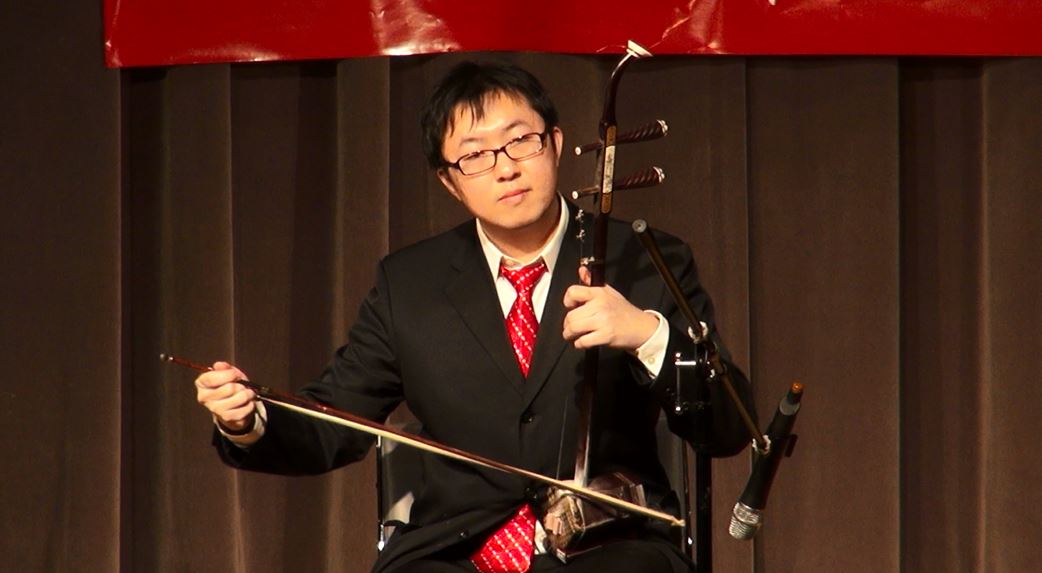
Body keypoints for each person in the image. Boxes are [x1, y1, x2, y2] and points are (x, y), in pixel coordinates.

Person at [195, 60, 755, 573]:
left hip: (608, 546)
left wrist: (649, 336)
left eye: (520, 142)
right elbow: (333, 420)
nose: (504, 169)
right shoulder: (409, 283)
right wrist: (248, 420)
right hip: (454, 552)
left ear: (556, 144)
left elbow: (729, 428)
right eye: (475, 155)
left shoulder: (644, 259)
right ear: (450, 181)